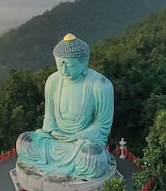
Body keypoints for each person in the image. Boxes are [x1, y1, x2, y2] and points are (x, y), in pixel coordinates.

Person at [16, 33, 114, 179]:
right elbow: (49, 115)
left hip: (81, 143)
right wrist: (52, 130)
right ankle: (59, 160)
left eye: (69, 65)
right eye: (60, 64)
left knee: (94, 161)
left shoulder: (100, 86)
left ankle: (74, 161)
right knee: (24, 142)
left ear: (84, 61)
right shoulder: (53, 81)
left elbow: (102, 126)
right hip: (55, 140)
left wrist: (77, 136)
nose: (64, 71)